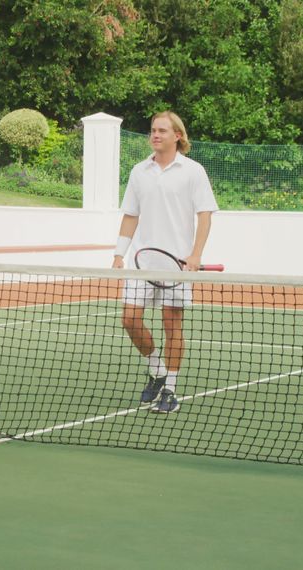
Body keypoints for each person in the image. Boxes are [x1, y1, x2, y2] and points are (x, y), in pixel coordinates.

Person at [112, 111, 218, 414]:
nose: (155, 135)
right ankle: (157, 369)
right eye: (152, 130)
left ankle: (170, 388)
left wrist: (196, 255)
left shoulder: (193, 171)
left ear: (178, 136)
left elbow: (205, 215)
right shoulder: (139, 171)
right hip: (141, 262)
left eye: (161, 131)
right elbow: (131, 215)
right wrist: (119, 253)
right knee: (129, 320)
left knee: (173, 327)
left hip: (177, 266)